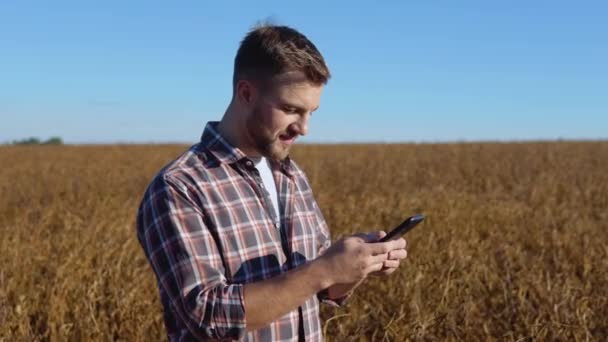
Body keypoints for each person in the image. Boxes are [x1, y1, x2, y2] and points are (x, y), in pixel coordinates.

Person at [136, 24, 408, 341]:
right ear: (246, 93)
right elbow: (209, 317)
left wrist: (357, 265)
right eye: (292, 109)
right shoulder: (179, 187)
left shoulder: (290, 176)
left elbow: (321, 289)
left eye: (311, 112)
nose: (304, 128)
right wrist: (324, 269)